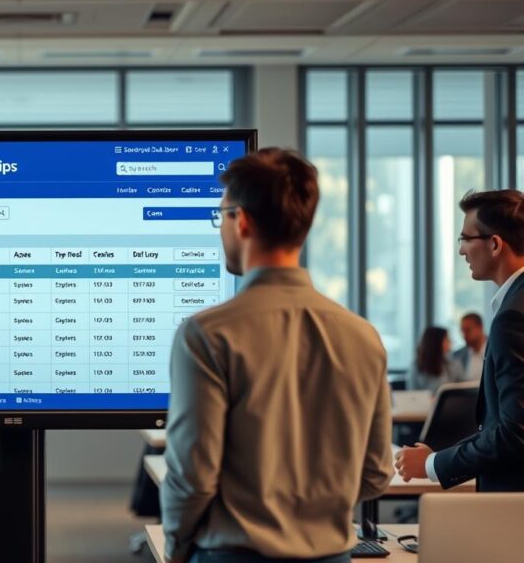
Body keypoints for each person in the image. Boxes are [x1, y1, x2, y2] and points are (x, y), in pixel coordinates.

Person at [160, 148, 392, 563]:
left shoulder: (207, 335)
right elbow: (375, 472)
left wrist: (175, 547)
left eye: (221, 217)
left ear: (241, 220)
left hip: (233, 555)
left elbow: (193, 477)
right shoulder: (363, 337)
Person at [397, 189, 524, 491]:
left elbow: (514, 432)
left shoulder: (513, 318)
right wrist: (439, 458)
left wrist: (431, 465)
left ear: (494, 244)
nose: (461, 251)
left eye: (465, 238)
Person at [409, 327, 460, 395]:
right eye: (446, 339)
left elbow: (464, 388)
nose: (450, 342)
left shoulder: (453, 363)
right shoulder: (416, 366)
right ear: (436, 342)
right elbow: (412, 395)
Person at [452, 312, 486, 382]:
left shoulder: (496, 351)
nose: (464, 335)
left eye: (467, 330)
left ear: (480, 327)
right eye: (462, 331)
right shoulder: (457, 355)